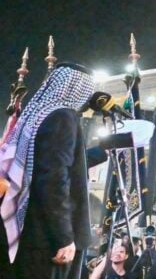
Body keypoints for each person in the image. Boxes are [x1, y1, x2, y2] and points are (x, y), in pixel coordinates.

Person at [0, 63, 95, 278]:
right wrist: (64, 237)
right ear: (75, 86)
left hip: (27, 233)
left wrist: (102, 151)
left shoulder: (36, 115)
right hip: (48, 241)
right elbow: (54, 179)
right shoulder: (63, 117)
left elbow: (50, 165)